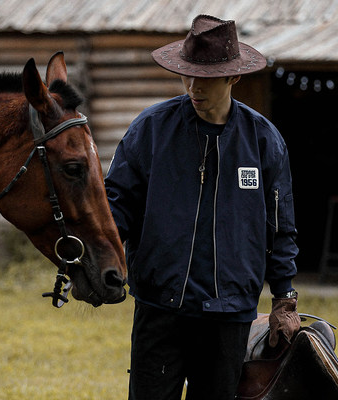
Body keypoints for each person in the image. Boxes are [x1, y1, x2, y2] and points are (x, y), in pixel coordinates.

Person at [105, 14, 301, 400]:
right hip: (161, 308)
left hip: (229, 315)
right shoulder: (150, 130)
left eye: (206, 78)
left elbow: (281, 227)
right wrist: (98, 258)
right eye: (187, 75)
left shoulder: (263, 141)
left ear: (233, 78)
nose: (194, 87)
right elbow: (115, 205)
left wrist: (284, 299)